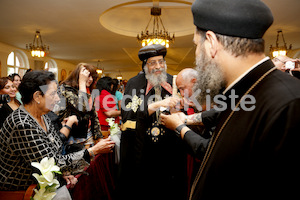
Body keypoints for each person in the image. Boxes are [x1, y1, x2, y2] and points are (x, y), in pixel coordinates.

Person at [186, 0, 300, 199]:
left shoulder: (290, 105)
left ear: (211, 42)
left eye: (196, 45)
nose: (196, 54)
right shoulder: (240, 93)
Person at [0, 71, 109, 192]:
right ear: (37, 97)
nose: (57, 98)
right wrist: (93, 151)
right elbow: (52, 162)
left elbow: (55, 147)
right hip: (20, 191)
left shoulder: (42, 115)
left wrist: (64, 172)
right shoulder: (22, 123)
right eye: (53, 94)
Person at [119, 44, 187, 200]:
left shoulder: (174, 82)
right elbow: (127, 115)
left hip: (169, 149)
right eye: (153, 63)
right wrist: (157, 105)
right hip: (142, 149)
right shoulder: (134, 83)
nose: (158, 66)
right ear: (145, 66)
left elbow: (187, 111)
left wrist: (179, 109)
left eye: (161, 61)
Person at [56, 63, 115, 200]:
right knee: (76, 174)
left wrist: (98, 137)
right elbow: (81, 107)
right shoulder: (65, 89)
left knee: (87, 172)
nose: (90, 80)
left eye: (92, 77)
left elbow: (93, 116)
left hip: (86, 136)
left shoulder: (88, 91)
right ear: (79, 75)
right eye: (87, 76)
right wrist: (82, 83)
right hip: (70, 138)